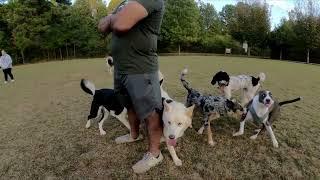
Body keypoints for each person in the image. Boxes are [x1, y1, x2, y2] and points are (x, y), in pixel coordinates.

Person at [98, 0, 164, 174]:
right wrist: (116, 16)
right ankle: (134, 135)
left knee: (151, 113)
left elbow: (120, 25)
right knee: (129, 104)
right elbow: (101, 28)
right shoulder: (124, 2)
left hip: (140, 69)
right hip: (121, 67)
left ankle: (155, 154)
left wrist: (113, 18)